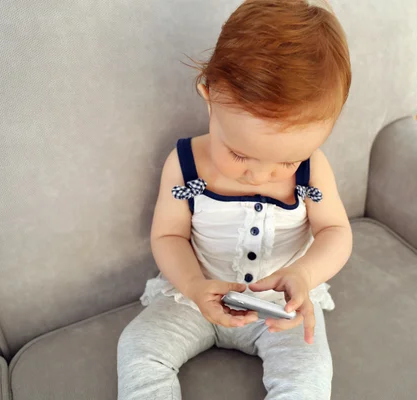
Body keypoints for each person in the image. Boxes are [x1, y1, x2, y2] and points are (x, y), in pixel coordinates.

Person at [117, 1, 352, 398]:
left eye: (287, 160)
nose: (259, 175)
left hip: (279, 308)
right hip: (195, 297)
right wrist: (192, 285)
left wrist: (304, 276)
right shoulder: (185, 164)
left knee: (308, 373)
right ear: (208, 95)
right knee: (138, 349)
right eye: (240, 154)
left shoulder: (314, 170)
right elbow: (168, 236)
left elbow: (335, 230)